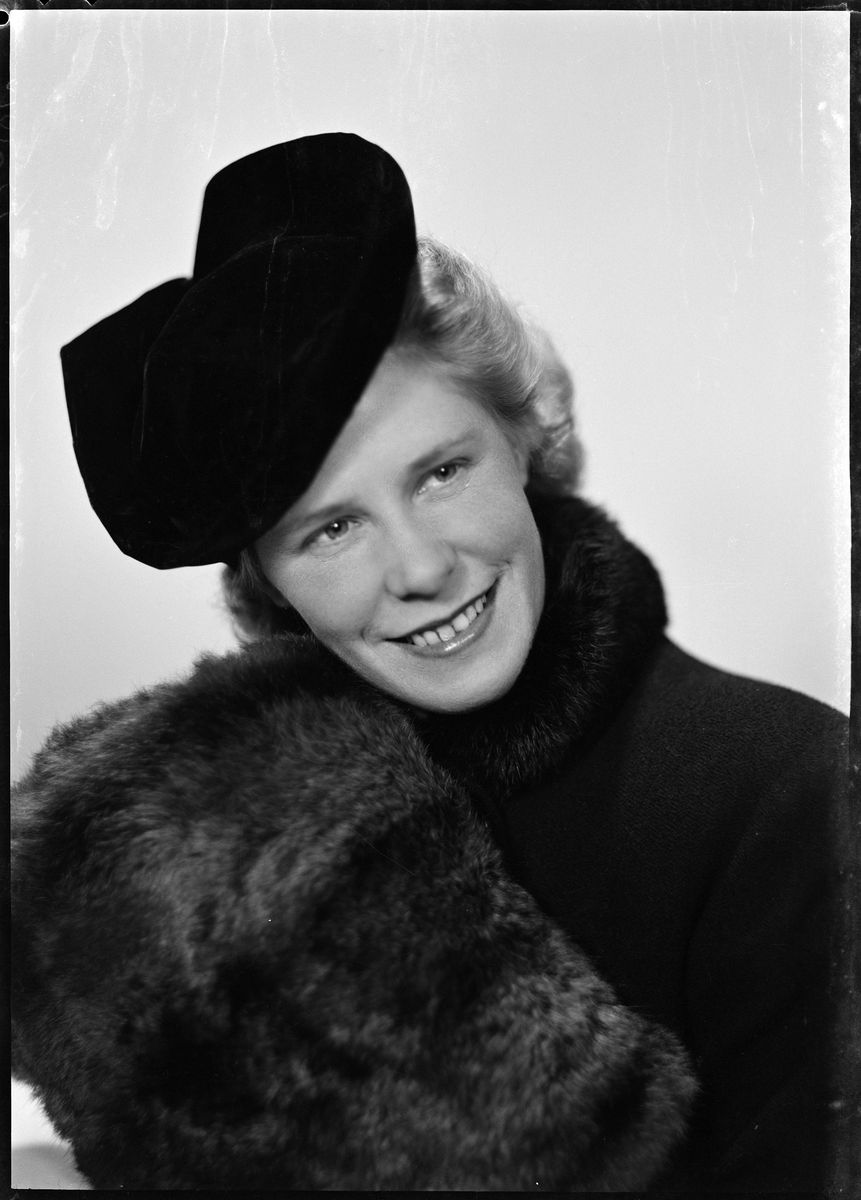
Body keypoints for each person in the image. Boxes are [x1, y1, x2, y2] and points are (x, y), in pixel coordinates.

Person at [11, 134, 846, 1191]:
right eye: (331, 530)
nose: (419, 567)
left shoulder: (788, 790)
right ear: (271, 580)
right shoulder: (192, 840)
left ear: (523, 436)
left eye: (442, 471)